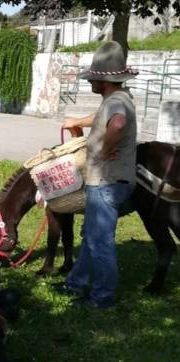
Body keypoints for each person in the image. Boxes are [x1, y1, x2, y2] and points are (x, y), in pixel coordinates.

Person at [57, 41, 138, 309]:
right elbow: (105, 117)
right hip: (102, 183)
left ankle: (102, 298)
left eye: (93, 79)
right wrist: (77, 123)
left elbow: (117, 123)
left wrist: (105, 148)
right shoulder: (116, 99)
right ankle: (76, 283)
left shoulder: (117, 102)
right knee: (91, 236)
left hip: (107, 182)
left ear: (103, 81)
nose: (90, 83)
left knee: (101, 242)